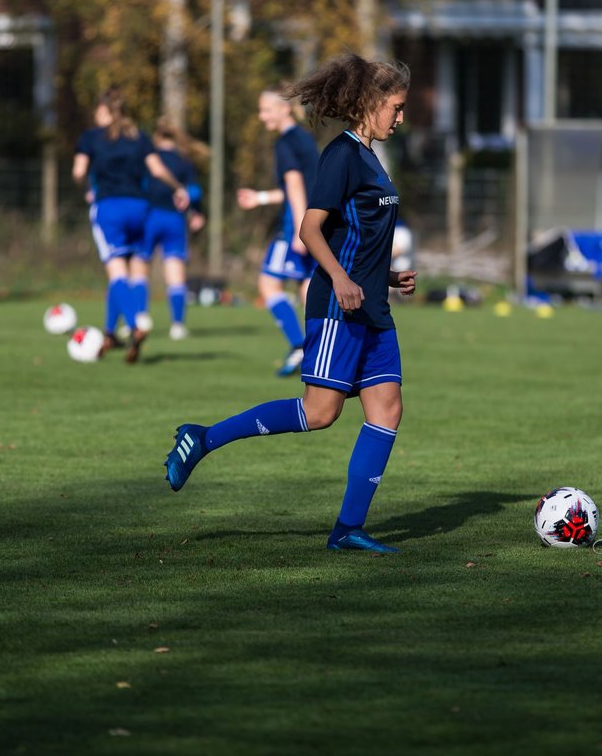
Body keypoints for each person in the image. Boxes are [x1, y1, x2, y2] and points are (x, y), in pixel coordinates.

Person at [165, 54, 416, 554]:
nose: (401, 117)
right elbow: (309, 228)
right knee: (320, 413)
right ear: (370, 103)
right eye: (396, 106)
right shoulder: (341, 155)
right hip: (337, 308)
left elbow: (357, 233)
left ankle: (348, 530)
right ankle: (204, 437)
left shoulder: (370, 157)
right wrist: (343, 277)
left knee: (387, 409)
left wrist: (383, 275)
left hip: (370, 306)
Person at [72, 88, 188, 363]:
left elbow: (78, 172)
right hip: (139, 209)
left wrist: (88, 188)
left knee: (115, 271)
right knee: (134, 269)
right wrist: (178, 188)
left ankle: (135, 322)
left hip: (109, 208)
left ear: (104, 111)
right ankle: (111, 332)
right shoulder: (139, 138)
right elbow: (158, 170)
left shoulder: (90, 138)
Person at [236, 86, 321, 376]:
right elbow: (300, 188)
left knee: (269, 284)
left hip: (296, 226)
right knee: (308, 287)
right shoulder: (305, 140)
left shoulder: (285, 143)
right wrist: (260, 198)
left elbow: (296, 186)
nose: (261, 116)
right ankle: (319, 350)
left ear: (285, 108)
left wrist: (300, 230)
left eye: (266, 109)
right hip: (317, 221)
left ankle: (300, 346)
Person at [137, 117, 206, 341]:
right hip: (175, 220)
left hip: (150, 216)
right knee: (175, 272)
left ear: (156, 136)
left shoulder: (149, 159)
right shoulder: (183, 162)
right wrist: (196, 212)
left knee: (140, 268)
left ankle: (139, 318)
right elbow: (194, 192)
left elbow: (141, 186)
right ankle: (177, 325)